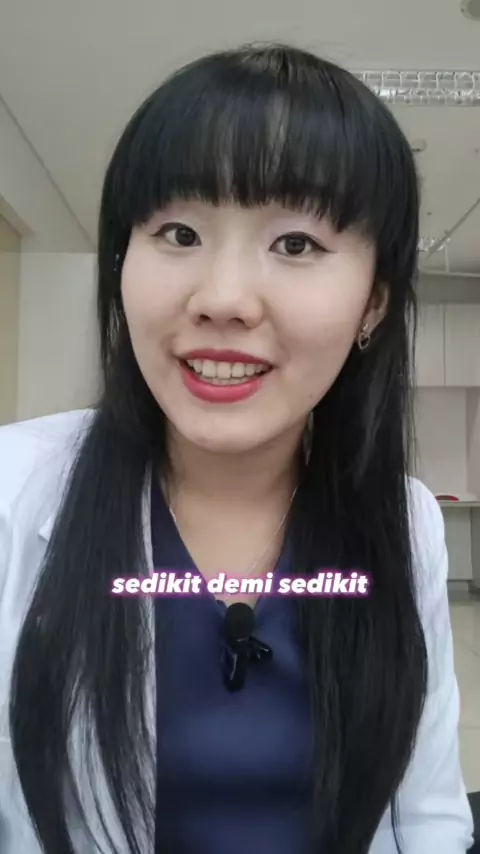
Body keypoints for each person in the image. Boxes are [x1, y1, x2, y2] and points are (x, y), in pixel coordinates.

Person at [0, 43, 474, 854]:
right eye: (179, 232)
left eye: (296, 245)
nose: (221, 300)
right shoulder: (12, 492)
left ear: (374, 302)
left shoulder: (405, 523)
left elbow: (427, 817)